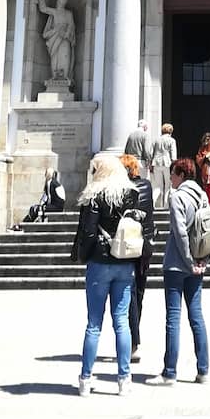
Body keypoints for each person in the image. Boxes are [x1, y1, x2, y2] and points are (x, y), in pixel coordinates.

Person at [72, 154, 140, 396]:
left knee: (94, 323)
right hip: (125, 260)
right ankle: (124, 379)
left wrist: (83, 255)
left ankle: (85, 378)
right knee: (121, 322)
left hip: (100, 262)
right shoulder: (131, 194)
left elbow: (89, 232)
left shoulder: (95, 195)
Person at [146, 158, 210, 386]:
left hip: (176, 264)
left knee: (173, 318)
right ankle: (203, 370)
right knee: (196, 316)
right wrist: (203, 260)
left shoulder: (177, 197)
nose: (170, 178)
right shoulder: (202, 196)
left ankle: (170, 372)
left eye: (173, 174)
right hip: (197, 265)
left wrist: (188, 260)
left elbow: (180, 232)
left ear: (182, 175)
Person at [119, 153, 155, 361]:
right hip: (145, 245)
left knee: (130, 293)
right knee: (139, 292)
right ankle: (134, 336)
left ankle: (133, 341)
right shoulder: (147, 186)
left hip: (129, 244)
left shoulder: (122, 189)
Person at [150, 124, 177, 209]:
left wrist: (150, 164)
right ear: (170, 131)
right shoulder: (171, 140)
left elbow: (151, 153)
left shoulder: (156, 139)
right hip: (167, 163)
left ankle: (153, 203)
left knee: (158, 186)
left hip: (156, 163)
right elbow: (173, 155)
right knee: (168, 186)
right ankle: (165, 205)